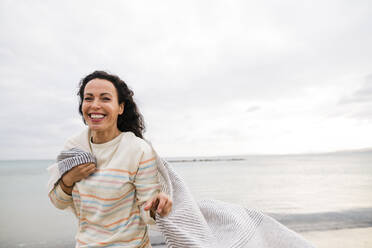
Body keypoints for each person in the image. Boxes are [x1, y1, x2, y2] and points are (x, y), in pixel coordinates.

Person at [48, 70, 172, 248]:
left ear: (120, 107)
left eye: (105, 98)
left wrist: (157, 208)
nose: (95, 105)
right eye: (88, 98)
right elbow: (58, 202)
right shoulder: (74, 147)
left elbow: (148, 215)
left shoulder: (137, 150)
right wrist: (69, 179)